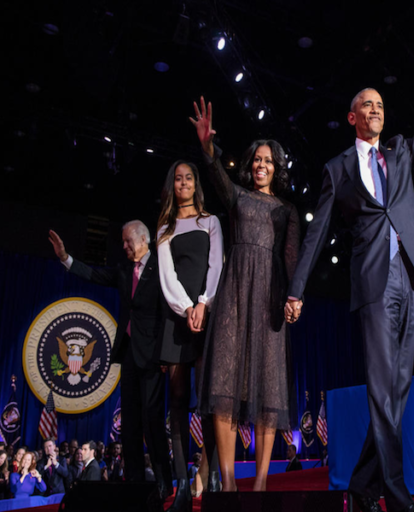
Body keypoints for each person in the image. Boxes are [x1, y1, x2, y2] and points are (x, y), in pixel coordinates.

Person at [286, 12, 414, 512]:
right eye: (368, 105)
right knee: (383, 391)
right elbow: (317, 234)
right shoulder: (337, 170)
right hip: (372, 285)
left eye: (381, 104)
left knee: (397, 392)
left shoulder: (402, 152)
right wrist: (297, 289)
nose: (377, 109)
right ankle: (396, 494)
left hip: (412, 275)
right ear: (352, 117)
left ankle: (361, 488)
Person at [191, 98, 300, 492]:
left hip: (269, 300)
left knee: (269, 388)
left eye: (268, 161)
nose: (261, 165)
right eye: (257, 159)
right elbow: (217, 176)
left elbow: (292, 260)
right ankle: (230, 484)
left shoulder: (287, 209)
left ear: (277, 167)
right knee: (224, 383)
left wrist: (295, 298)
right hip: (234, 297)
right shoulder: (237, 197)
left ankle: (260, 486)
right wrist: (207, 148)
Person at [49, 222, 173, 498]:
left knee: (152, 422)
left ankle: (164, 482)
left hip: (153, 357)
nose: (125, 247)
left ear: (144, 239)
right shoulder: (124, 270)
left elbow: (167, 313)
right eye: (123, 243)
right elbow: (94, 274)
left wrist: (166, 354)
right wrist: (65, 259)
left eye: (129, 242)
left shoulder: (162, 267)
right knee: (129, 424)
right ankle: (136, 484)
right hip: (128, 354)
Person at [156, 159, 224, 509]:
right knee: (178, 401)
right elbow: (167, 275)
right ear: (172, 186)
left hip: (206, 315)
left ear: (196, 184)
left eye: (188, 178)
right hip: (176, 320)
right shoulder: (165, 227)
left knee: (209, 400)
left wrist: (204, 304)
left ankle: (209, 472)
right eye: (177, 178)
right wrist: (186, 308)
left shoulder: (210, 221)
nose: (183, 183)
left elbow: (216, 266)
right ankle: (182, 484)